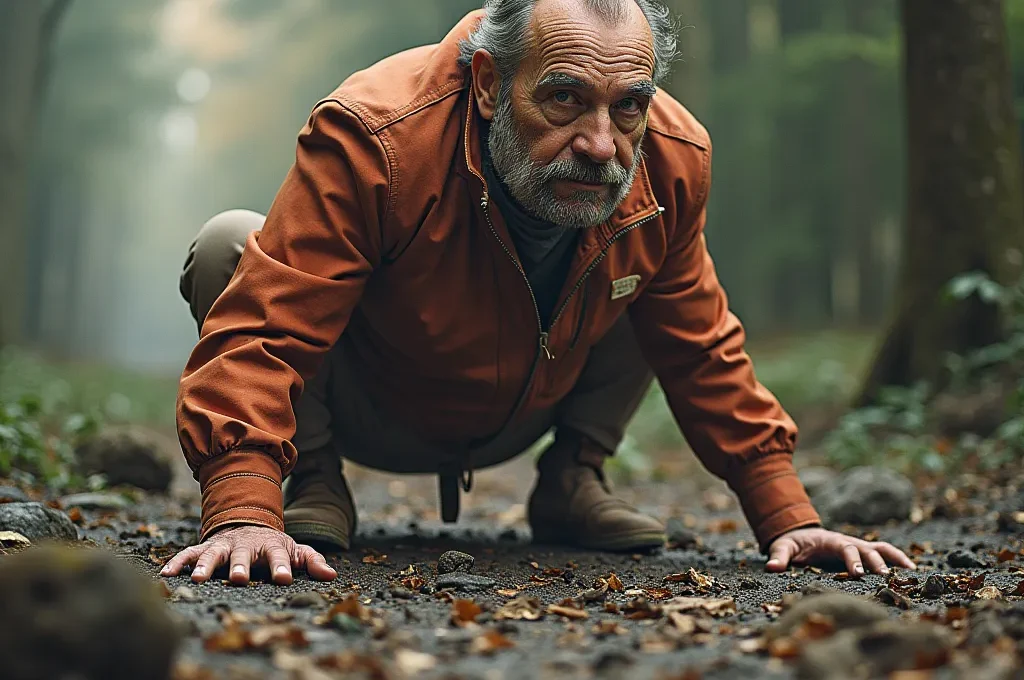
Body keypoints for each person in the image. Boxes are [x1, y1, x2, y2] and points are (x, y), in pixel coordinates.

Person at [161, 0, 915, 586]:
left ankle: (573, 478)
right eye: (564, 99)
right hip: (369, 401)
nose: (600, 143)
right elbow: (271, 320)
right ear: (489, 83)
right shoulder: (376, 133)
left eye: (628, 107)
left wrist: (786, 513)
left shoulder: (672, 159)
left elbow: (700, 339)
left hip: (535, 404)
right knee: (232, 241)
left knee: (646, 264)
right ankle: (314, 483)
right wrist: (241, 506)